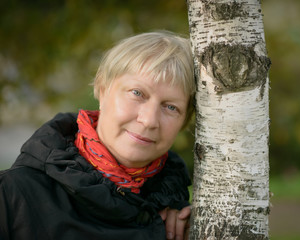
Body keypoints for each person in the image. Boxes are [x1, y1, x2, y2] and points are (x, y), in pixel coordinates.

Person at [0, 31, 195, 240]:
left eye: (171, 107)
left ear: (184, 122)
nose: (149, 120)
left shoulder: (179, 218)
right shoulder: (13, 196)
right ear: (102, 91)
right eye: (137, 93)